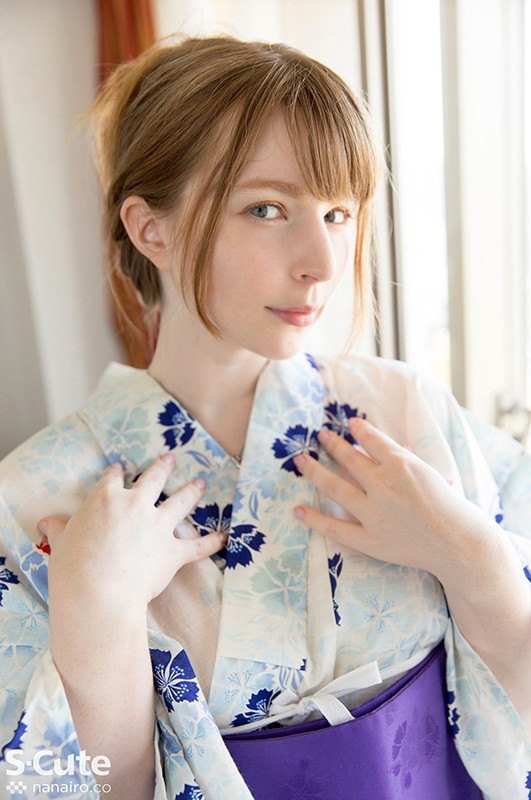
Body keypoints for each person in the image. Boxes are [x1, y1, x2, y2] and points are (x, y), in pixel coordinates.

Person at [0, 34, 530, 800]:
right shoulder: (32, 499)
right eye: (267, 208)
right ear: (152, 230)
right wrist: (97, 616)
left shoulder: (405, 411)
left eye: (338, 213)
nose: (323, 261)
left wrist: (471, 557)